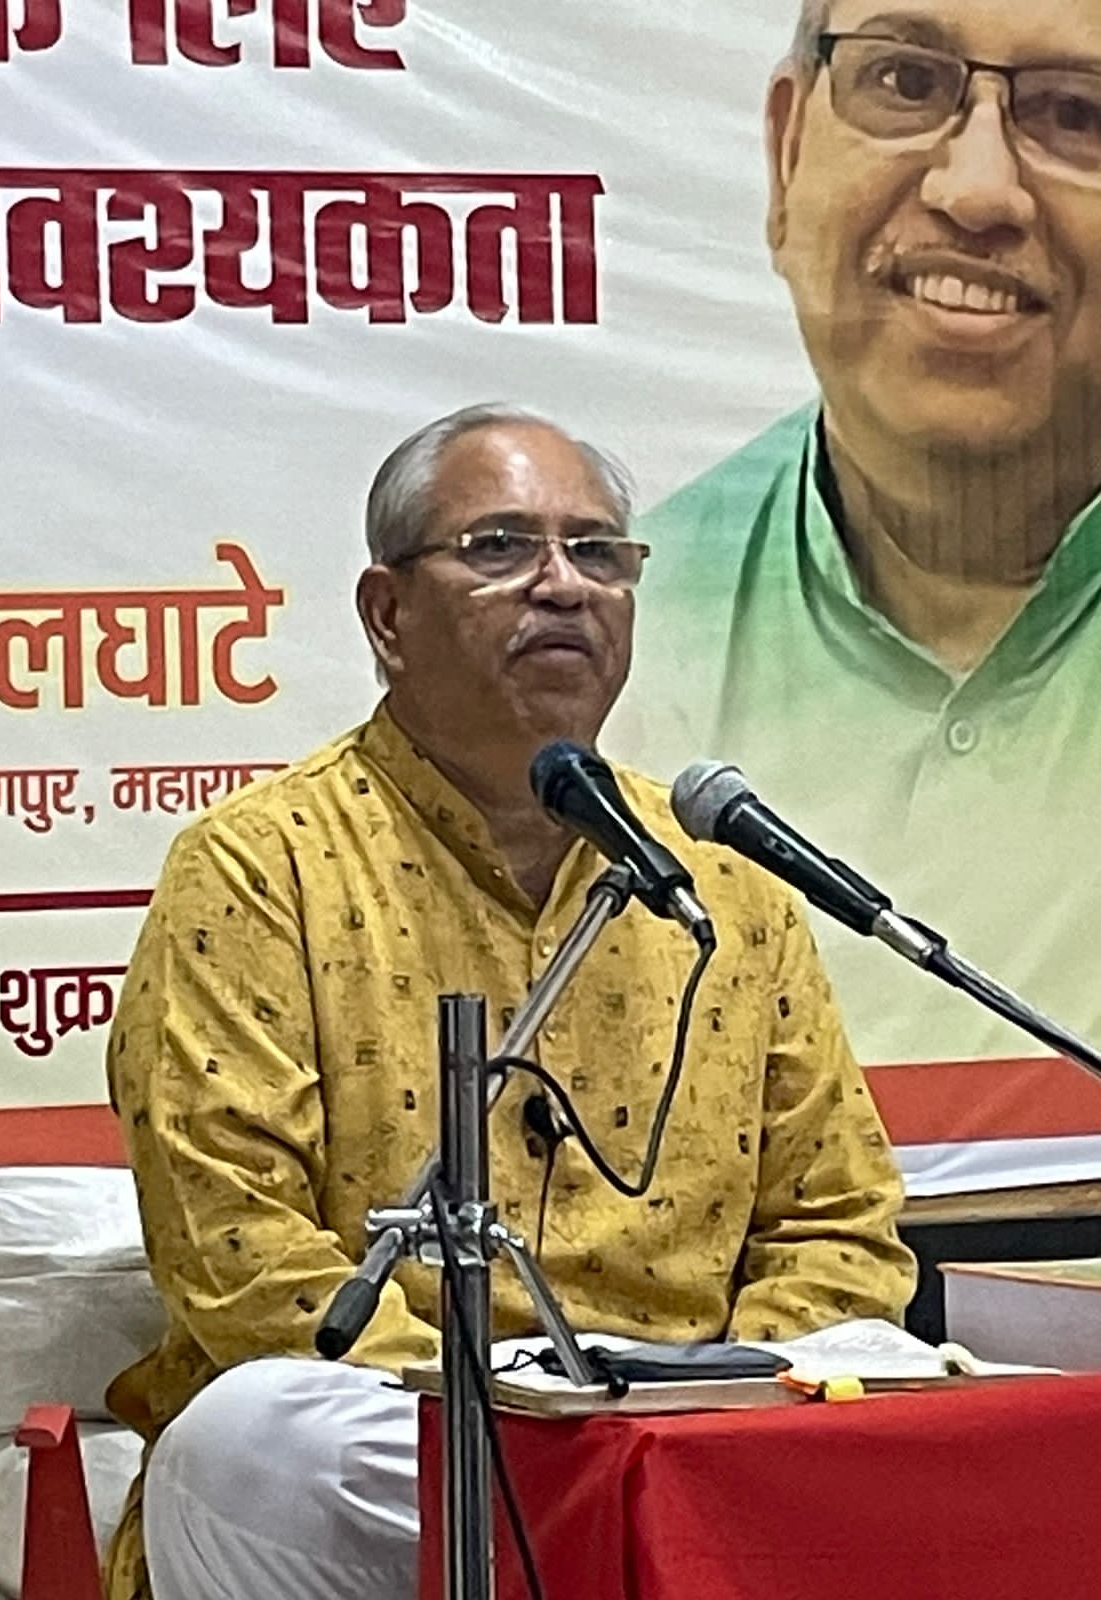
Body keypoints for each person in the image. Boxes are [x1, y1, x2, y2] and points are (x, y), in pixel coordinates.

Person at [102, 402, 915, 1600]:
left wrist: (727, 1398)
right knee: (249, 1441)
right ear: (388, 615)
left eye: (598, 552)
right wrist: (536, 1423)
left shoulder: (722, 877)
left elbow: (839, 1221)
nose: (564, 585)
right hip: (407, 1421)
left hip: (699, 1417)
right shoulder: (260, 867)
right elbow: (239, 1251)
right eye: (500, 547)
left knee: (924, 1392)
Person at [617, 0, 1101, 1126]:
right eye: (905, 83)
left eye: (1077, 114)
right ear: (787, 151)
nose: (978, 190)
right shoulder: (628, 631)